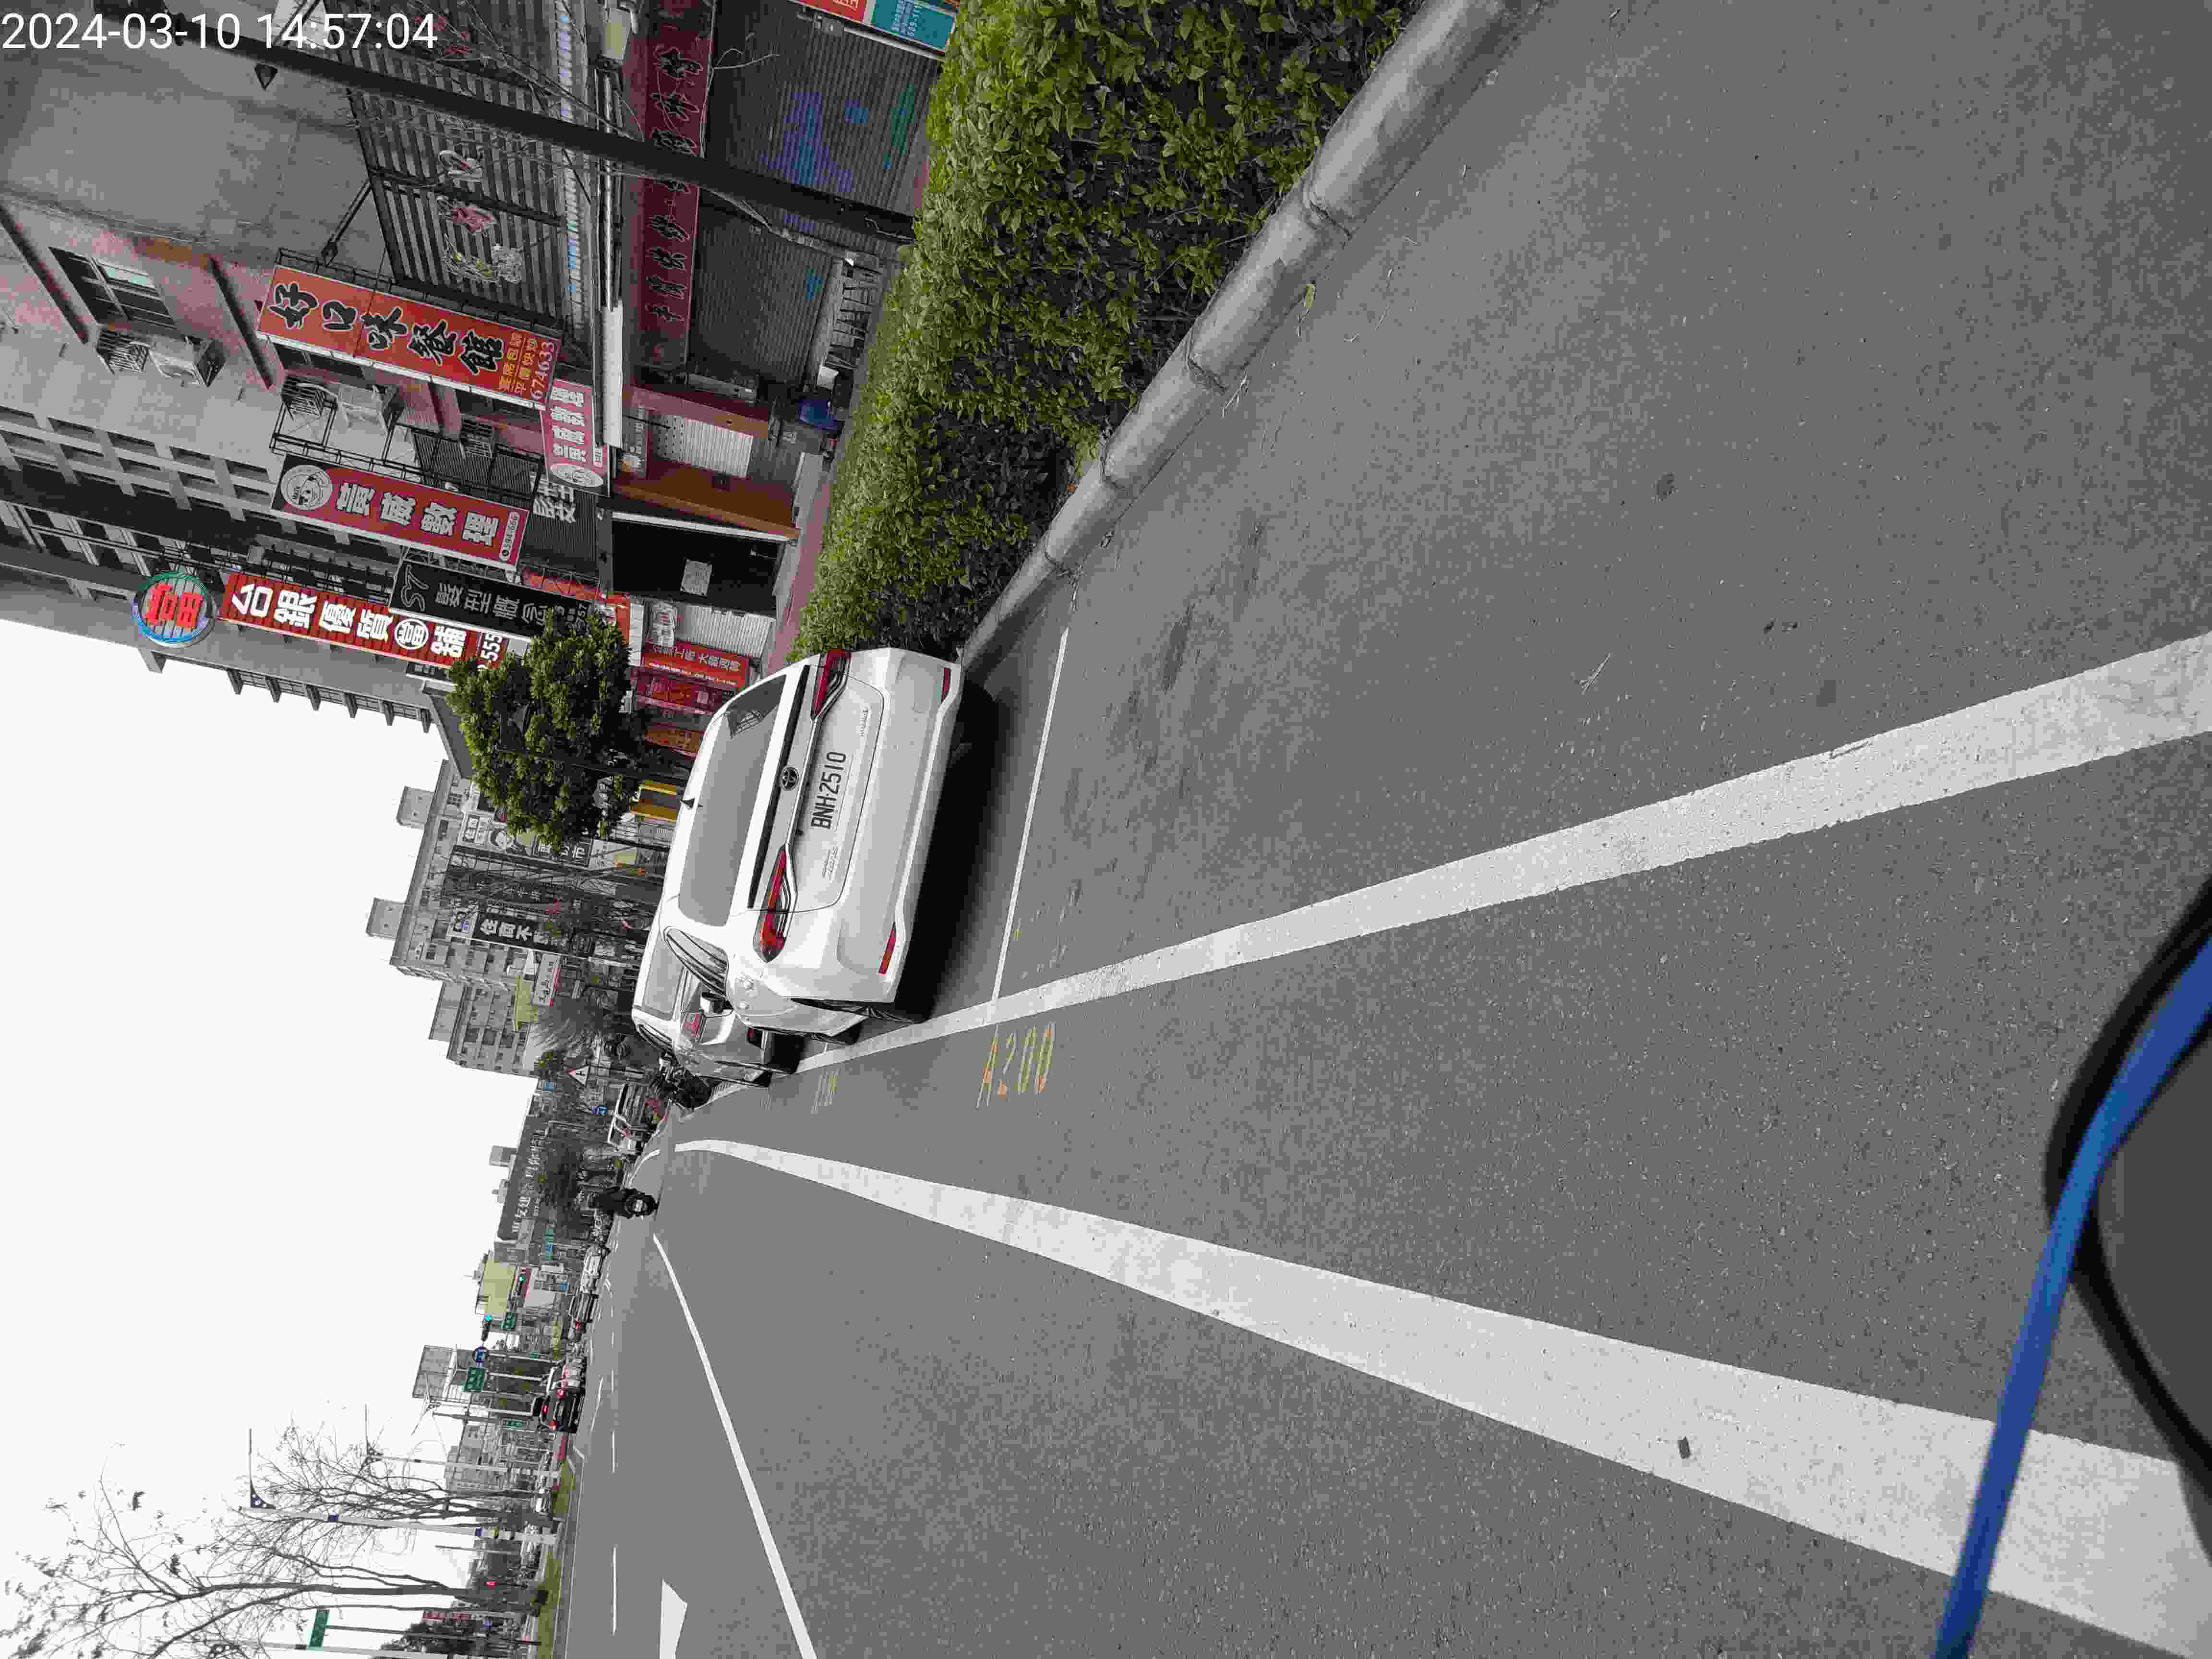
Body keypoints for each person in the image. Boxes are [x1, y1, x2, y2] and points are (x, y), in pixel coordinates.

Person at [585, 1185, 659, 1218]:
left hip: (623, 1210)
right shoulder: (604, 1193)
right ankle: (642, 1198)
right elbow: (615, 1188)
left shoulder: (602, 1209)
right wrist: (621, 1189)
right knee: (634, 1193)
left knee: (631, 1212)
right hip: (624, 1196)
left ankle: (640, 1212)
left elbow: (610, 1213)